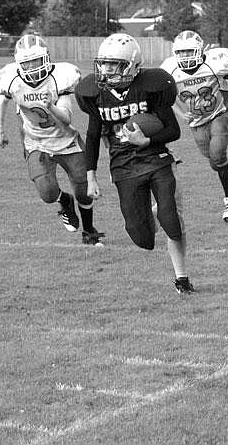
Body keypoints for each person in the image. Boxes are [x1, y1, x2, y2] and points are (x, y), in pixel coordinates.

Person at [75, 32, 194, 294]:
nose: (105, 70)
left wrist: (146, 142)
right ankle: (149, 215)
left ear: (132, 65)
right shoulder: (94, 93)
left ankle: (182, 279)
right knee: (143, 239)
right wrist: (91, 177)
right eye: (103, 63)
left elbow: (173, 131)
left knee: (171, 220)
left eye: (113, 64)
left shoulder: (153, 85)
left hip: (157, 158)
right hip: (123, 166)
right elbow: (92, 136)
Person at [0, 34, 104, 246]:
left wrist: (51, 106)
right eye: (27, 63)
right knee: (47, 193)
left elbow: (67, 118)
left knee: (83, 189)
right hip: (35, 142)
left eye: (36, 60)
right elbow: (1, 100)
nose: (33, 66)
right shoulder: (10, 79)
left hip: (66, 140)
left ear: (46, 58)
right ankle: (65, 200)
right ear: (19, 64)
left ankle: (89, 231)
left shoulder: (60, 76)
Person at [160, 30, 228, 222]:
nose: (185, 56)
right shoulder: (169, 69)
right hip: (196, 122)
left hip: (220, 113)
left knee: (217, 156)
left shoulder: (215, 62)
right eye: (181, 52)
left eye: (189, 51)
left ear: (199, 50)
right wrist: (181, 113)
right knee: (215, 162)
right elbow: (164, 98)